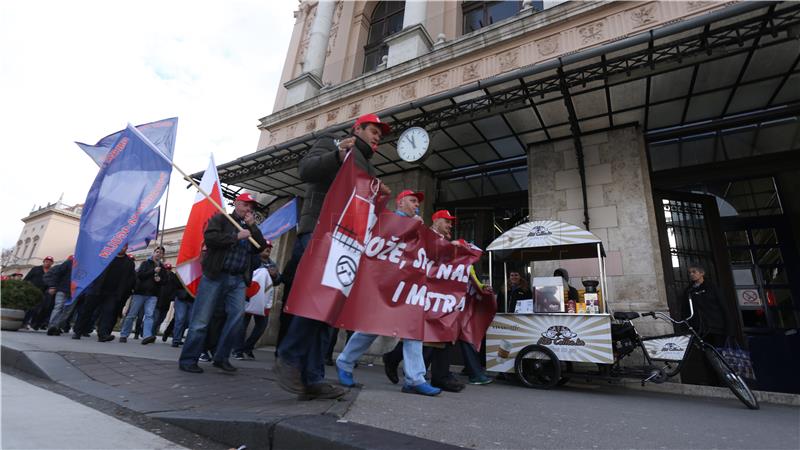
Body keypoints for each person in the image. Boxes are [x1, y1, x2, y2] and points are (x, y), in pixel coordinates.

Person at [274, 113, 391, 400]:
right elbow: (307, 170)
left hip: (346, 242)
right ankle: (288, 357)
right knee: (315, 300)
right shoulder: (332, 142)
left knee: (327, 312)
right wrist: (338, 155)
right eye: (373, 130)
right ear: (357, 129)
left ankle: (313, 378)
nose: (377, 136)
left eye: (380, 134)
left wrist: (380, 195)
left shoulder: (368, 167)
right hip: (319, 232)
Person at [336, 190, 441, 396]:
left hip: (406, 287)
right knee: (370, 328)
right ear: (400, 203)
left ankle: (414, 379)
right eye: (412, 201)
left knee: (412, 330)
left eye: (417, 202)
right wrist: (413, 227)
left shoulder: (417, 226)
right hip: (384, 285)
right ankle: (345, 362)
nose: (416, 205)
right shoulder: (389, 221)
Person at [178, 193, 267, 374]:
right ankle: (188, 359)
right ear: (236, 204)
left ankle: (221, 357)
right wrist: (236, 237)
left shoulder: (249, 227)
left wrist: (252, 228)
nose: (249, 209)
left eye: (251, 206)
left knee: (236, 319)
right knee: (201, 319)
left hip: (238, 280)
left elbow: (260, 246)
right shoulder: (221, 219)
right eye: (245, 205)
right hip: (215, 276)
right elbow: (210, 239)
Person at [72, 244, 136, 341]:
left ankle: (103, 335)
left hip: (113, 293)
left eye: (124, 247)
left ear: (127, 248)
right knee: (87, 311)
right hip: (97, 289)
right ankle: (78, 331)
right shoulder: (106, 257)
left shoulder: (129, 263)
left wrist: (124, 292)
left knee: (108, 313)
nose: (122, 248)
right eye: (120, 246)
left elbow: (129, 279)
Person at [234, 241, 283, 360]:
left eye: (270, 248)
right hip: (249, 297)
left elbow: (277, 281)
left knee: (262, 325)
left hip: (263, 300)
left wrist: (275, 276)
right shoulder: (253, 260)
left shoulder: (273, 264)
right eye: (265, 247)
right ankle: (238, 350)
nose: (268, 249)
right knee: (243, 325)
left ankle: (248, 347)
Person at [119, 246, 165, 344]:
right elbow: (140, 275)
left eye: (160, 253)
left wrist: (160, 280)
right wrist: (153, 271)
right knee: (132, 315)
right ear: (153, 253)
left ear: (162, 255)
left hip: (153, 295)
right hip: (140, 293)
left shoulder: (162, 268)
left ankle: (146, 336)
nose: (158, 254)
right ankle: (124, 334)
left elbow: (165, 281)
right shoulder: (145, 263)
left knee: (149, 315)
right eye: (157, 251)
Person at [44, 256, 74, 336]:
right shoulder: (68, 263)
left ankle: (57, 326)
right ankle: (52, 326)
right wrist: (52, 286)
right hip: (63, 289)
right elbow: (57, 274)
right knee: (59, 307)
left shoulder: (84, 265)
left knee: (67, 311)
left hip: (74, 292)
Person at [23, 256, 54, 330]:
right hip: (32, 290)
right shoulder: (36, 269)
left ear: (52, 263)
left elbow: (52, 281)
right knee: (29, 307)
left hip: (43, 292)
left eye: (50, 261)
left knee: (38, 309)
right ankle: (24, 323)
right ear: (43, 261)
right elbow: (27, 278)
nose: (48, 263)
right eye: (46, 261)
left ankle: (34, 324)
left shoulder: (51, 272)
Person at [152, 263, 179, 337]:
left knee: (161, 318)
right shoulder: (160, 276)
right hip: (158, 300)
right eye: (166, 269)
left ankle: (154, 332)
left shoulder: (173, 277)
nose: (168, 271)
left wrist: (172, 297)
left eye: (169, 269)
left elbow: (175, 288)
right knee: (156, 318)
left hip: (167, 301)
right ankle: (151, 333)